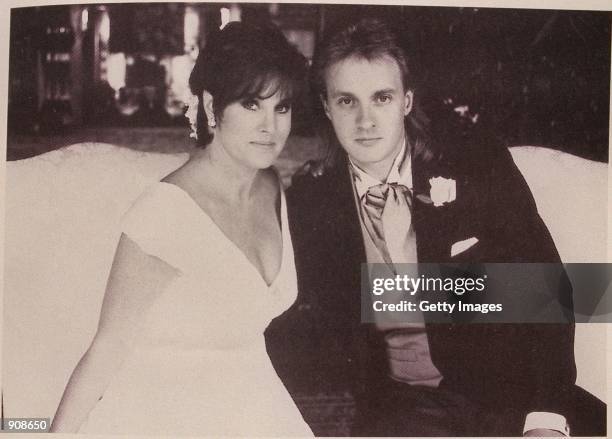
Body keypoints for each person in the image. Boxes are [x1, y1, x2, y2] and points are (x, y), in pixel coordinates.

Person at [266, 17, 605, 437]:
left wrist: (547, 418)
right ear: (326, 105)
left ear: (407, 101)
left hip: (509, 399)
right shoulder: (312, 202)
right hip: (402, 409)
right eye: (347, 101)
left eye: (382, 98)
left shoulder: (475, 165)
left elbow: (548, 287)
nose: (365, 121)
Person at [50, 21, 312, 436]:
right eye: (250, 105)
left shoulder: (271, 185)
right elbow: (107, 347)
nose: (270, 127)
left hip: (255, 401)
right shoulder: (166, 211)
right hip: (169, 412)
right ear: (211, 106)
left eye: (281, 108)